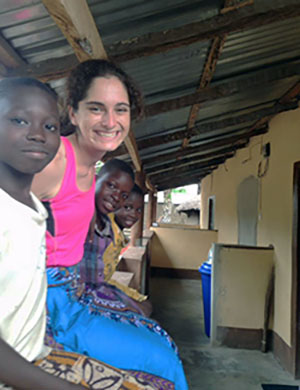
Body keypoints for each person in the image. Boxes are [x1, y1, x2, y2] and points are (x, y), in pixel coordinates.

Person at [0, 77, 154, 390]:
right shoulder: (50, 174)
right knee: (154, 361)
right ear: (75, 115)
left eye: (49, 127)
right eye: (19, 120)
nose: (36, 135)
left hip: (36, 346)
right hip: (38, 340)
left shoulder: (33, 207)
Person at [46, 159, 188, 389]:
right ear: (95, 178)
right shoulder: (74, 213)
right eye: (111, 186)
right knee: (162, 359)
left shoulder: (104, 222)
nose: (116, 197)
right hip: (67, 314)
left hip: (82, 302)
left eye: (123, 195)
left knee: (158, 337)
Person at [32, 58, 144, 268]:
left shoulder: (91, 167)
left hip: (68, 285)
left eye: (120, 110)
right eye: (96, 109)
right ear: (73, 113)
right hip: (39, 291)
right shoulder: (54, 161)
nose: (110, 122)